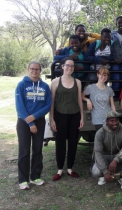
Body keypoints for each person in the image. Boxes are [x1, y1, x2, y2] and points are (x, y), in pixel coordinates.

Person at [15, 61, 52, 190]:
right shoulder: (21, 85)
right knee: (24, 151)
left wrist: (35, 117)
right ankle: (23, 179)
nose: (34, 71)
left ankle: (35, 176)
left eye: (37, 69)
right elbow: (20, 106)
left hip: (39, 121)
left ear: (40, 71)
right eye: (32, 69)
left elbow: (48, 105)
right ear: (28, 69)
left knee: (37, 150)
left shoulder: (45, 87)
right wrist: (30, 122)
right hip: (24, 122)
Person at [50, 57, 84, 181]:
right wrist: (52, 119)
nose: (70, 68)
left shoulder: (78, 82)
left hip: (74, 115)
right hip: (60, 115)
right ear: (62, 66)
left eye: (72, 66)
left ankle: (70, 168)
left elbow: (79, 100)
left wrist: (82, 117)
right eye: (67, 65)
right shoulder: (55, 82)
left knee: (73, 142)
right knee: (60, 143)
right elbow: (52, 102)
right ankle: (59, 169)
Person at [91, 111, 122, 190]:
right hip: (105, 156)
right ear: (107, 122)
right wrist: (105, 172)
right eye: (112, 121)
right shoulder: (100, 133)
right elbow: (98, 153)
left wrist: (116, 160)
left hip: (117, 155)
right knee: (96, 172)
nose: (115, 123)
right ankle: (103, 176)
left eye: (116, 120)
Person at [82, 67, 115, 131]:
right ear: (97, 75)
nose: (103, 77)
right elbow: (81, 96)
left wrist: (114, 116)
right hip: (97, 119)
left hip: (109, 119)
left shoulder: (109, 89)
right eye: (101, 74)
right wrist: (88, 100)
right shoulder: (90, 87)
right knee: (100, 139)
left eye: (105, 75)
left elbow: (112, 105)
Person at [111, 16, 122, 93]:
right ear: (116, 24)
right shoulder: (112, 34)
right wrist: (112, 58)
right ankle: (114, 98)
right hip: (115, 61)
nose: (121, 24)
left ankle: (120, 98)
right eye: (119, 23)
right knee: (116, 79)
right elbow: (109, 47)